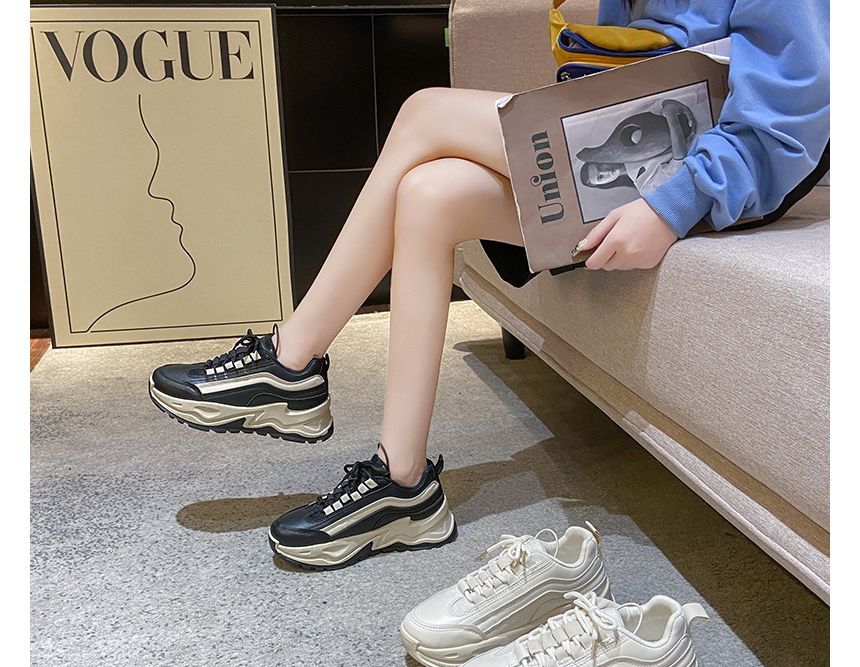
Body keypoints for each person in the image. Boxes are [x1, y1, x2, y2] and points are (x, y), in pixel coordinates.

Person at [149, 0, 829, 570]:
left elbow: (788, 117)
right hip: (639, 153)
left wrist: (673, 206)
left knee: (425, 112)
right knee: (429, 195)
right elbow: (623, 71)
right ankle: (404, 486)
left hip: (723, 173)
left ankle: (290, 363)